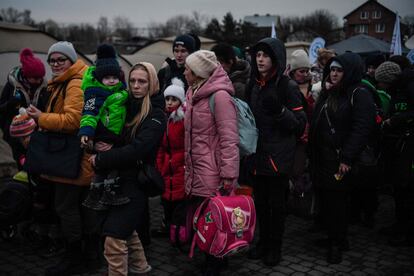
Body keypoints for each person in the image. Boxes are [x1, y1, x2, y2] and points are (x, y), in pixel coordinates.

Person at [26, 41, 96, 275]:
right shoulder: (66, 81)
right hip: (72, 158)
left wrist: (41, 117)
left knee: (66, 209)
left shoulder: (74, 84)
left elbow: (73, 121)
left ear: (71, 60)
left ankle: (74, 259)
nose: (55, 64)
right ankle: (88, 256)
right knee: (78, 208)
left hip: (72, 159)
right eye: (52, 60)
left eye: (60, 60)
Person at [89, 62, 166, 275]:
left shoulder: (156, 114)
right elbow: (115, 138)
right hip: (116, 180)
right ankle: (141, 267)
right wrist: (94, 141)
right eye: (132, 81)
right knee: (127, 231)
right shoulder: (123, 105)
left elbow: (137, 150)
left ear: (152, 83)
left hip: (136, 183)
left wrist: (103, 158)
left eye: (142, 81)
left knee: (114, 238)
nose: (136, 86)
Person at [309, 52, 376, 264]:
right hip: (323, 157)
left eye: (339, 70)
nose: (334, 73)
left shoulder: (359, 93)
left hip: (340, 160)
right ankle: (335, 238)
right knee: (329, 201)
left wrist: (346, 157)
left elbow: (362, 128)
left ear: (350, 72)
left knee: (337, 202)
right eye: (332, 69)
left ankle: (336, 243)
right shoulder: (331, 92)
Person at [245, 38, 306, 267]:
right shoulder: (253, 84)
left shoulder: (287, 86)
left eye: (266, 55)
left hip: (278, 159)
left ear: (276, 59)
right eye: (258, 54)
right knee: (260, 203)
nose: (260, 59)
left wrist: (280, 111)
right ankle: (262, 243)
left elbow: (300, 125)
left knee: (276, 207)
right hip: (256, 155)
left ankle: (275, 248)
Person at [184, 50, 239, 276]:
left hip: (214, 171)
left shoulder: (220, 97)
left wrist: (228, 174)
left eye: (188, 68)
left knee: (215, 218)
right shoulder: (192, 92)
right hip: (196, 167)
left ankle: (215, 262)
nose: (184, 71)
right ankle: (212, 256)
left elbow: (229, 138)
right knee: (204, 218)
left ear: (198, 73)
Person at [79, 44, 129, 211]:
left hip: (115, 135)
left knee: (106, 166)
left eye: (114, 77)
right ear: (100, 79)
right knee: (109, 166)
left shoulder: (120, 91)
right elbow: (89, 113)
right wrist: (86, 132)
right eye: (107, 78)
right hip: (104, 134)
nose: (111, 80)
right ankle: (104, 192)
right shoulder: (96, 93)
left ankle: (100, 193)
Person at [376, 60, 414, 246]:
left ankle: (406, 232)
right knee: (399, 189)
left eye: (381, 82)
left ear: (389, 80)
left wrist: (395, 121)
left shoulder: (409, 87)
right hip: (398, 145)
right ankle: (399, 225)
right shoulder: (396, 91)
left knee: (406, 189)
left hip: (408, 146)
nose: (379, 86)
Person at [0, 48, 48, 168]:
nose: (38, 81)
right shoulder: (12, 86)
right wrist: (11, 104)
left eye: (40, 78)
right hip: (15, 131)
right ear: (26, 76)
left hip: (36, 130)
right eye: (35, 78)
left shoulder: (43, 87)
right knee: (21, 156)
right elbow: (1, 109)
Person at [155, 77, 186, 236]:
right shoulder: (164, 119)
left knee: (179, 204)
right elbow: (161, 147)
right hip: (167, 167)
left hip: (180, 167)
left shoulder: (183, 121)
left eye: (174, 99)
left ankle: (178, 233)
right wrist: (160, 166)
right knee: (166, 202)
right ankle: (167, 228)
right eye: (167, 98)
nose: (169, 102)